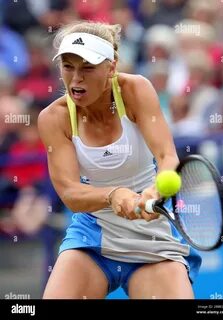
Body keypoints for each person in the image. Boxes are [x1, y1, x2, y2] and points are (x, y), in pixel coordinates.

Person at [38, 21, 201, 299]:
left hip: (152, 236)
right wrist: (113, 195)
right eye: (68, 66)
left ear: (111, 67)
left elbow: (167, 157)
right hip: (92, 238)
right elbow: (70, 193)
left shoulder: (136, 89)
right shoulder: (54, 118)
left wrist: (157, 189)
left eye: (87, 68)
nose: (76, 78)